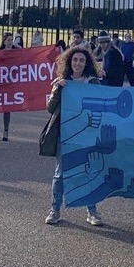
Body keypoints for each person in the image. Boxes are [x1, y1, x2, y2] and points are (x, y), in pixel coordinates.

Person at [39, 47, 104, 227]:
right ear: (69, 62)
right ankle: (54, 210)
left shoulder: (92, 82)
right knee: (60, 173)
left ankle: (92, 211)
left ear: (86, 63)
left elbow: (100, 106)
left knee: (88, 170)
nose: (78, 63)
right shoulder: (62, 82)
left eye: (81, 60)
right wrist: (57, 90)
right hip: (65, 133)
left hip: (86, 133)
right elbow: (51, 109)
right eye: (75, 60)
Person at [0, 31, 15, 141]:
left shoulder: (17, 52)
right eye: (8, 40)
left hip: (10, 83)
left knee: (7, 108)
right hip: (0, 82)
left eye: (11, 39)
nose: (10, 42)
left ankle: (6, 132)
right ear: (4, 41)